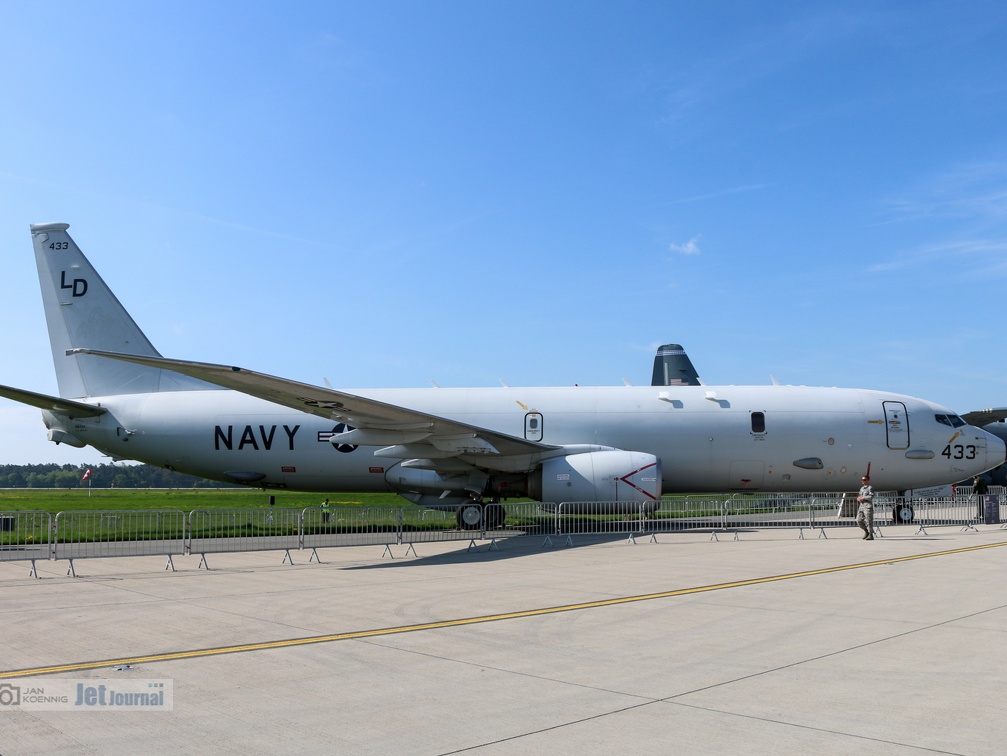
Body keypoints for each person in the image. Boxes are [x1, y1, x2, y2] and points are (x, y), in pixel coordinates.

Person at [856, 475, 874, 540]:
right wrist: (858, 498)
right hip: (861, 506)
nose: (863, 481)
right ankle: (866, 531)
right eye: (862, 480)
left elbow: (871, 496)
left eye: (864, 480)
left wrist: (863, 498)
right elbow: (859, 495)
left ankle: (871, 535)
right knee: (858, 520)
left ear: (868, 480)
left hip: (867, 506)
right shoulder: (861, 488)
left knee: (869, 521)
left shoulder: (870, 488)